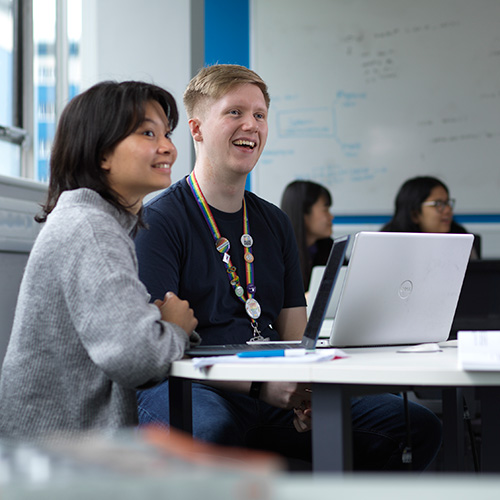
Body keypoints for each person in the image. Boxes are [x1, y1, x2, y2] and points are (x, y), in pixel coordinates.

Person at [134, 64, 442, 471]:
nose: (251, 125)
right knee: (212, 432)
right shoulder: (159, 219)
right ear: (196, 129)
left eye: (260, 115)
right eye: (234, 112)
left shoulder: (274, 222)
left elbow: (295, 330)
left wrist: (309, 391)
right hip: (195, 384)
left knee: (413, 424)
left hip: (271, 387)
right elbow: (159, 347)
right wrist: (264, 387)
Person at [0, 81, 199, 440]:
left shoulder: (90, 220)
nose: (168, 147)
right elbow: (137, 358)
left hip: (54, 447)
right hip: (56, 459)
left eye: (167, 134)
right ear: (101, 154)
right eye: (148, 133)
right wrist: (175, 328)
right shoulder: (92, 229)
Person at [381, 176, 480, 259]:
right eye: (438, 204)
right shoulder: (386, 243)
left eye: (447, 203)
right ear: (414, 214)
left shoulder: (460, 238)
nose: (448, 210)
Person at [281, 180, 334, 291]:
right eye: (325, 210)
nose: (331, 217)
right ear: (304, 213)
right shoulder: (278, 253)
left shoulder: (329, 247)